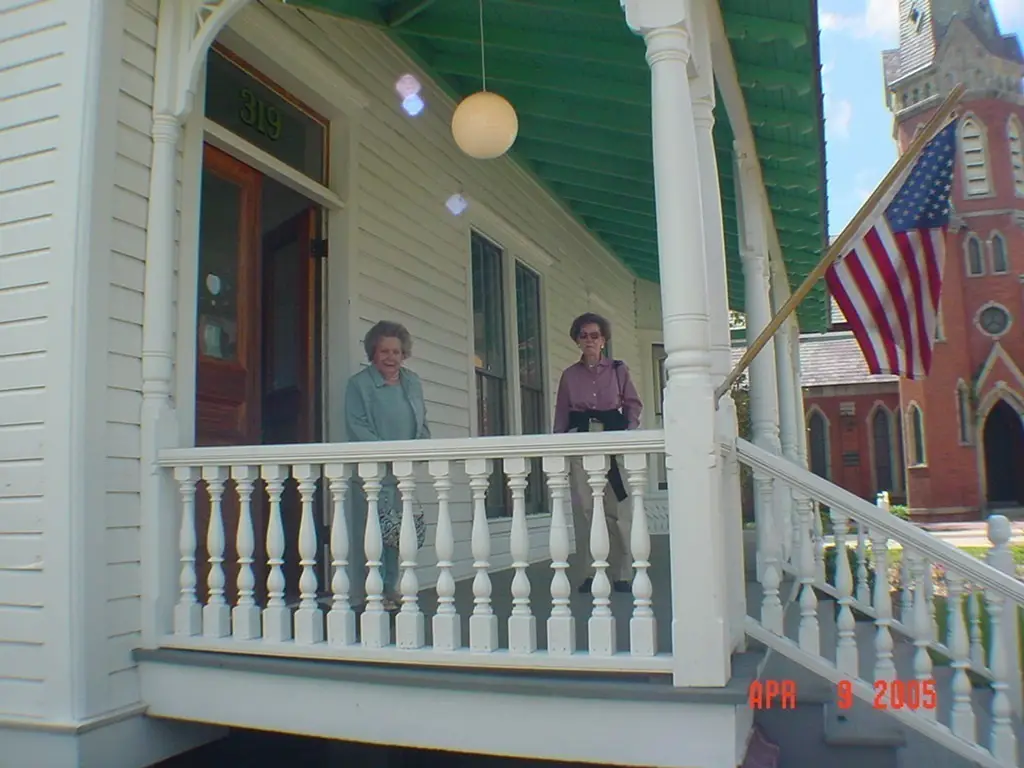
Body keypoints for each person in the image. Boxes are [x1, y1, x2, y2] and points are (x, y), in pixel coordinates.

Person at [554, 312, 643, 595]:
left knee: (617, 510)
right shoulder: (569, 376)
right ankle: (591, 573)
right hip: (582, 444)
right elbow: (561, 415)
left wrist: (626, 435)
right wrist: (559, 448)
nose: (589, 340)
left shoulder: (618, 370)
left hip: (612, 442)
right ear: (577, 341)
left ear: (603, 340)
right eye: (584, 335)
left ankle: (622, 573)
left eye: (595, 335)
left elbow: (633, 405)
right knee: (585, 510)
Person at [345, 320, 431, 611]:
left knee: (398, 535)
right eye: (384, 351)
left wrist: (418, 449)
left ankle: (391, 588)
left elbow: (422, 422)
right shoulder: (359, 385)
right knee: (372, 536)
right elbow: (357, 426)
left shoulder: (412, 381)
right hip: (374, 472)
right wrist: (387, 455)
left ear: (403, 352)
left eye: (396, 351)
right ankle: (372, 592)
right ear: (373, 352)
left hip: (403, 472)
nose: (391, 357)